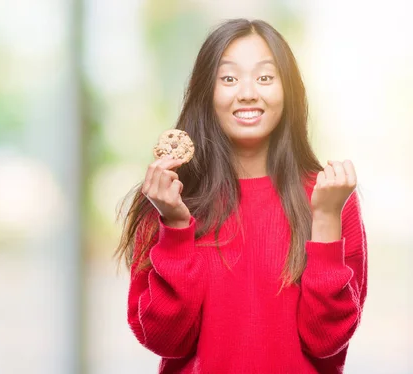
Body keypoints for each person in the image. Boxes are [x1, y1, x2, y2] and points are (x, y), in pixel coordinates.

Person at [115, 18, 367, 373]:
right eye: (229, 78)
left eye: (265, 77)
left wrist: (325, 220)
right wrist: (174, 226)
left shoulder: (330, 198)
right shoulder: (170, 198)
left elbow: (326, 342)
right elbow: (165, 340)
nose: (248, 92)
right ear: (207, 92)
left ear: (288, 90)